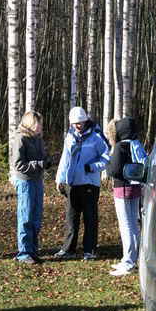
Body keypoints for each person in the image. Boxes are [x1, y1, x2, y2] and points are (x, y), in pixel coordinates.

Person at [54, 107, 110, 261]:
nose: (77, 126)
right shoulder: (70, 136)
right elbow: (65, 158)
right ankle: (68, 249)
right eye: (74, 123)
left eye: (79, 122)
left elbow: (106, 158)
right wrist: (60, 178)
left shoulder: (96, 137)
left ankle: (89, 250)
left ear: (85, 120)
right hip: (73, 184)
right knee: (71, 217)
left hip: (89, 184)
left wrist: (91, 167)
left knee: (90, 218)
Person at [13, 110, 56, 264]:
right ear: (32, 124)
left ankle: (32, 250)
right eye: (40, 125)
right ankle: (23, 253)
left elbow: (40, 157)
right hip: (25, 182)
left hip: (37, 181)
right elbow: (18, 164)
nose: (42, 128)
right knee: (25, 217)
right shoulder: (21, 138)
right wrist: (39, 164)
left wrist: (47, 159)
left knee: (36, 218)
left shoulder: (38, 139)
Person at [107, 117, 148, 276]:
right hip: (136, 188)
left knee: (126, 226)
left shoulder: (119, 146)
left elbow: (115, 170)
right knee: (133, 224)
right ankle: (131, 259)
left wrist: (108, 166)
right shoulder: (136, 144)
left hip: (122, 189)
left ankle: (128, 263)